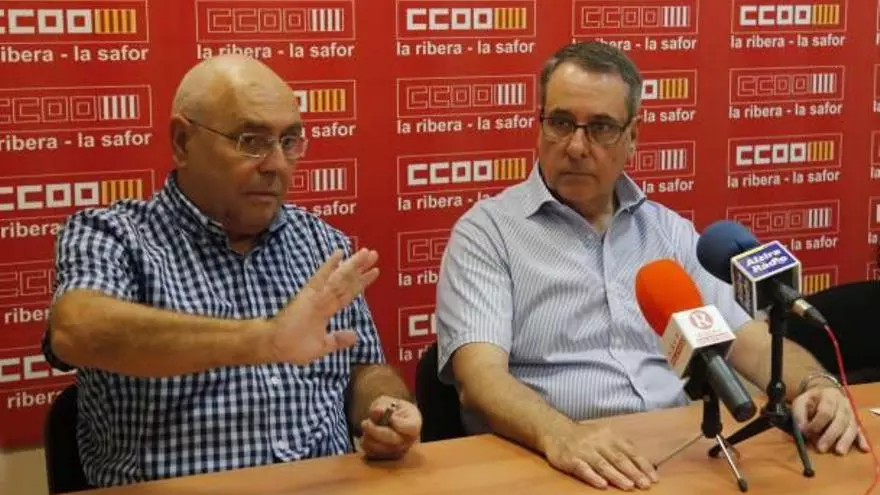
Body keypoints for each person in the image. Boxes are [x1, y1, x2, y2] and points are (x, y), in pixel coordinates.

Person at [435, 41, 868, 492]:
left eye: (601, 127)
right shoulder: (488, 233)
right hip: (551, 459)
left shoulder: (668, 232)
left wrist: (817, 385)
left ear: (633, 136)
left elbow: (749, 342)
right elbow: (480, 379)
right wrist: (560, 435)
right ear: (539, 124)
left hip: (674, 456)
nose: (576, 146)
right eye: (561, 123)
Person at [42, 55, 421, 487]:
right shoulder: (113, 236)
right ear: (183, 141)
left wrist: (385, 408)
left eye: (289, 141)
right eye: (251, 141)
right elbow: (77, 330)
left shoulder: (322, 242)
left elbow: (363, 369)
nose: (276, 164)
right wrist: (265, 340)